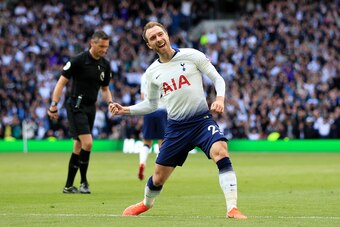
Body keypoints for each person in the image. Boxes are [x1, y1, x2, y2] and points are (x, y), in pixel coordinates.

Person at [110, 22, 247, 219]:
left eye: (160, 34)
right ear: (149, 45)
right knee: (158, 178)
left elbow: (218, 79)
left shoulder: (192, 55)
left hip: (201, 121)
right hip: (176, 128)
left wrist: (219, 98)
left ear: (166, 34)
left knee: (221, 151)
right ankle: (146, 203)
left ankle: (232, 208)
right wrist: (126, 110)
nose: (158, 39)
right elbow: (151, 104)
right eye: (153, 38)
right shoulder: (151, 73)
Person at [47, 30, 114, 194]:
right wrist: (54, 105)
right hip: (76, 106)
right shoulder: (78, 60)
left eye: (106, 47)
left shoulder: (105, 64)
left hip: (91, 107)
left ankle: (69, 186)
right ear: (92, 43)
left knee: (78, 146)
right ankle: (84, 182)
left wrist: (111, 102)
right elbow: (61, 83)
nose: (104, 50)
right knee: (88, 143)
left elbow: (104, 89)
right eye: (101, 46)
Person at [138, 73, 167, 180]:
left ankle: (142, 163)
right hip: (161, 110)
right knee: (162, 142)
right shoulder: (163, 73)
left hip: (148, 110)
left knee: (146, 142)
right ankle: (157, 169)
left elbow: (142, 96)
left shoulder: (144, 75)